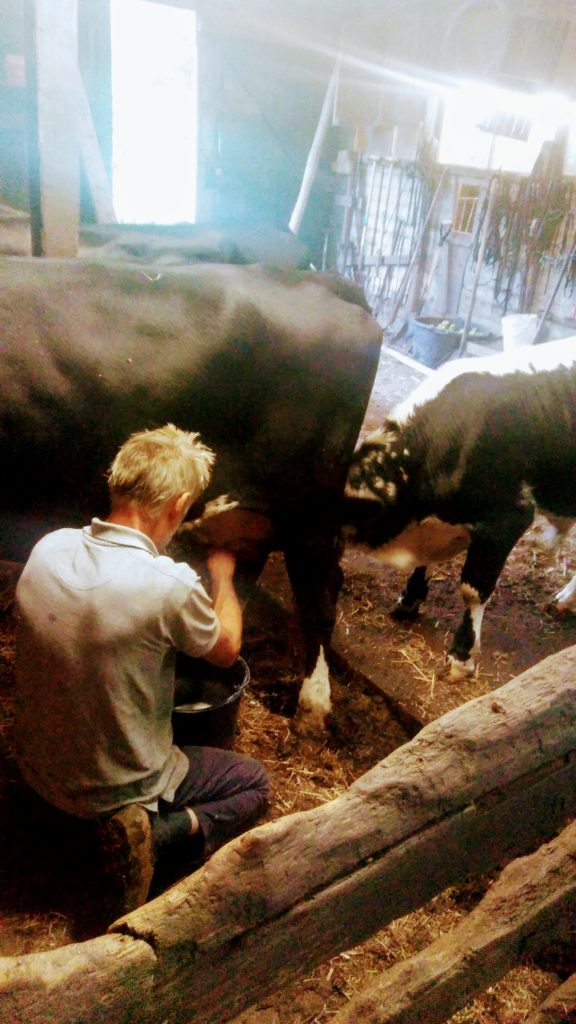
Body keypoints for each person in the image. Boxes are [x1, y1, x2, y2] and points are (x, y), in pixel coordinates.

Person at [12, 423, 270, 915]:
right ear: (178, 505)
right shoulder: (167, 584)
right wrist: (223, 576)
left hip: (38, 773)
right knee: (252, 782)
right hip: (114, 790)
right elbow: (227, 650)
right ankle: (155, 835)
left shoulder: (49, 546)